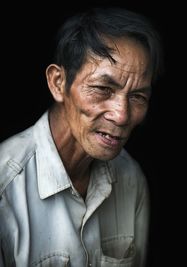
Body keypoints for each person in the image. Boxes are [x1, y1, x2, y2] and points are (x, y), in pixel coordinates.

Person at [0, 6, 163, 267]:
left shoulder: (131, 179)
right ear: (57, 82)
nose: (121, 116)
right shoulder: (5, 188)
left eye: (138, 97)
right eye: (102, 88)